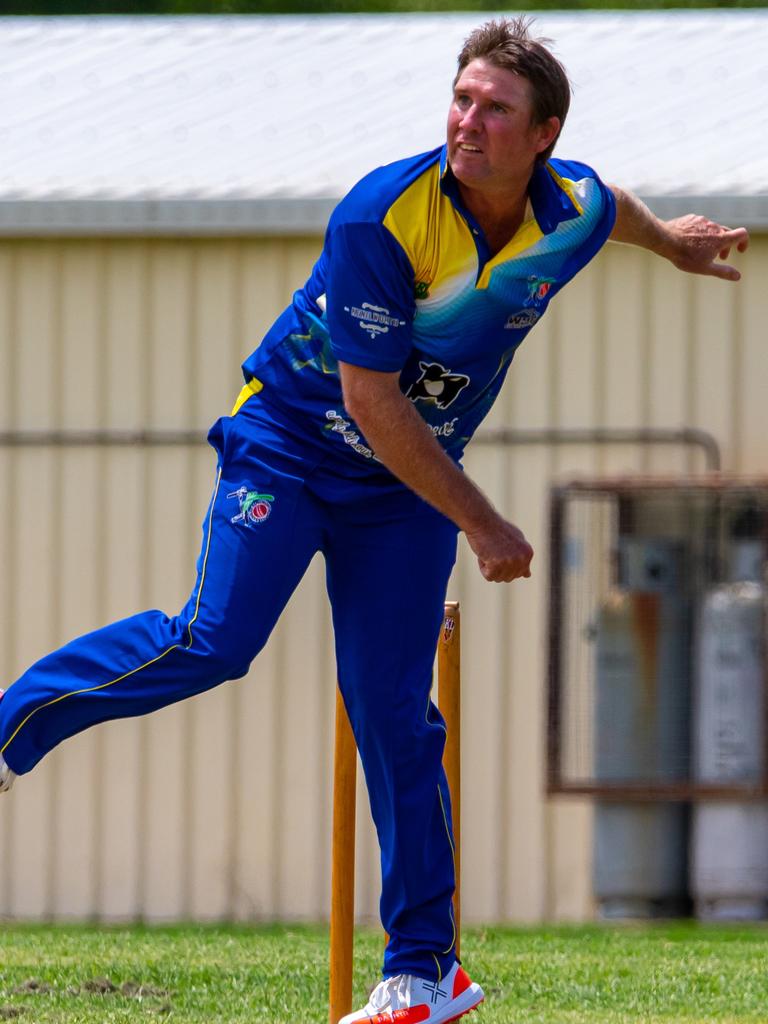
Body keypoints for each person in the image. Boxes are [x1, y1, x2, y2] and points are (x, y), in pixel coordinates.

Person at [0, 17, 749, 1024]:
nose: (468, 122)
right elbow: (374, 404)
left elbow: (615, 210)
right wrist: (486, 524)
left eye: (496, 109)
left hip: (401, 491)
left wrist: (676, 246)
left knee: (392, 708)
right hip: (294, 448)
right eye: (461, 98)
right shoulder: (383, 217)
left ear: (545, 136)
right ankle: (10, 731)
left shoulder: (568, 206)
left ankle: (424, 971)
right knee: (216, 640)